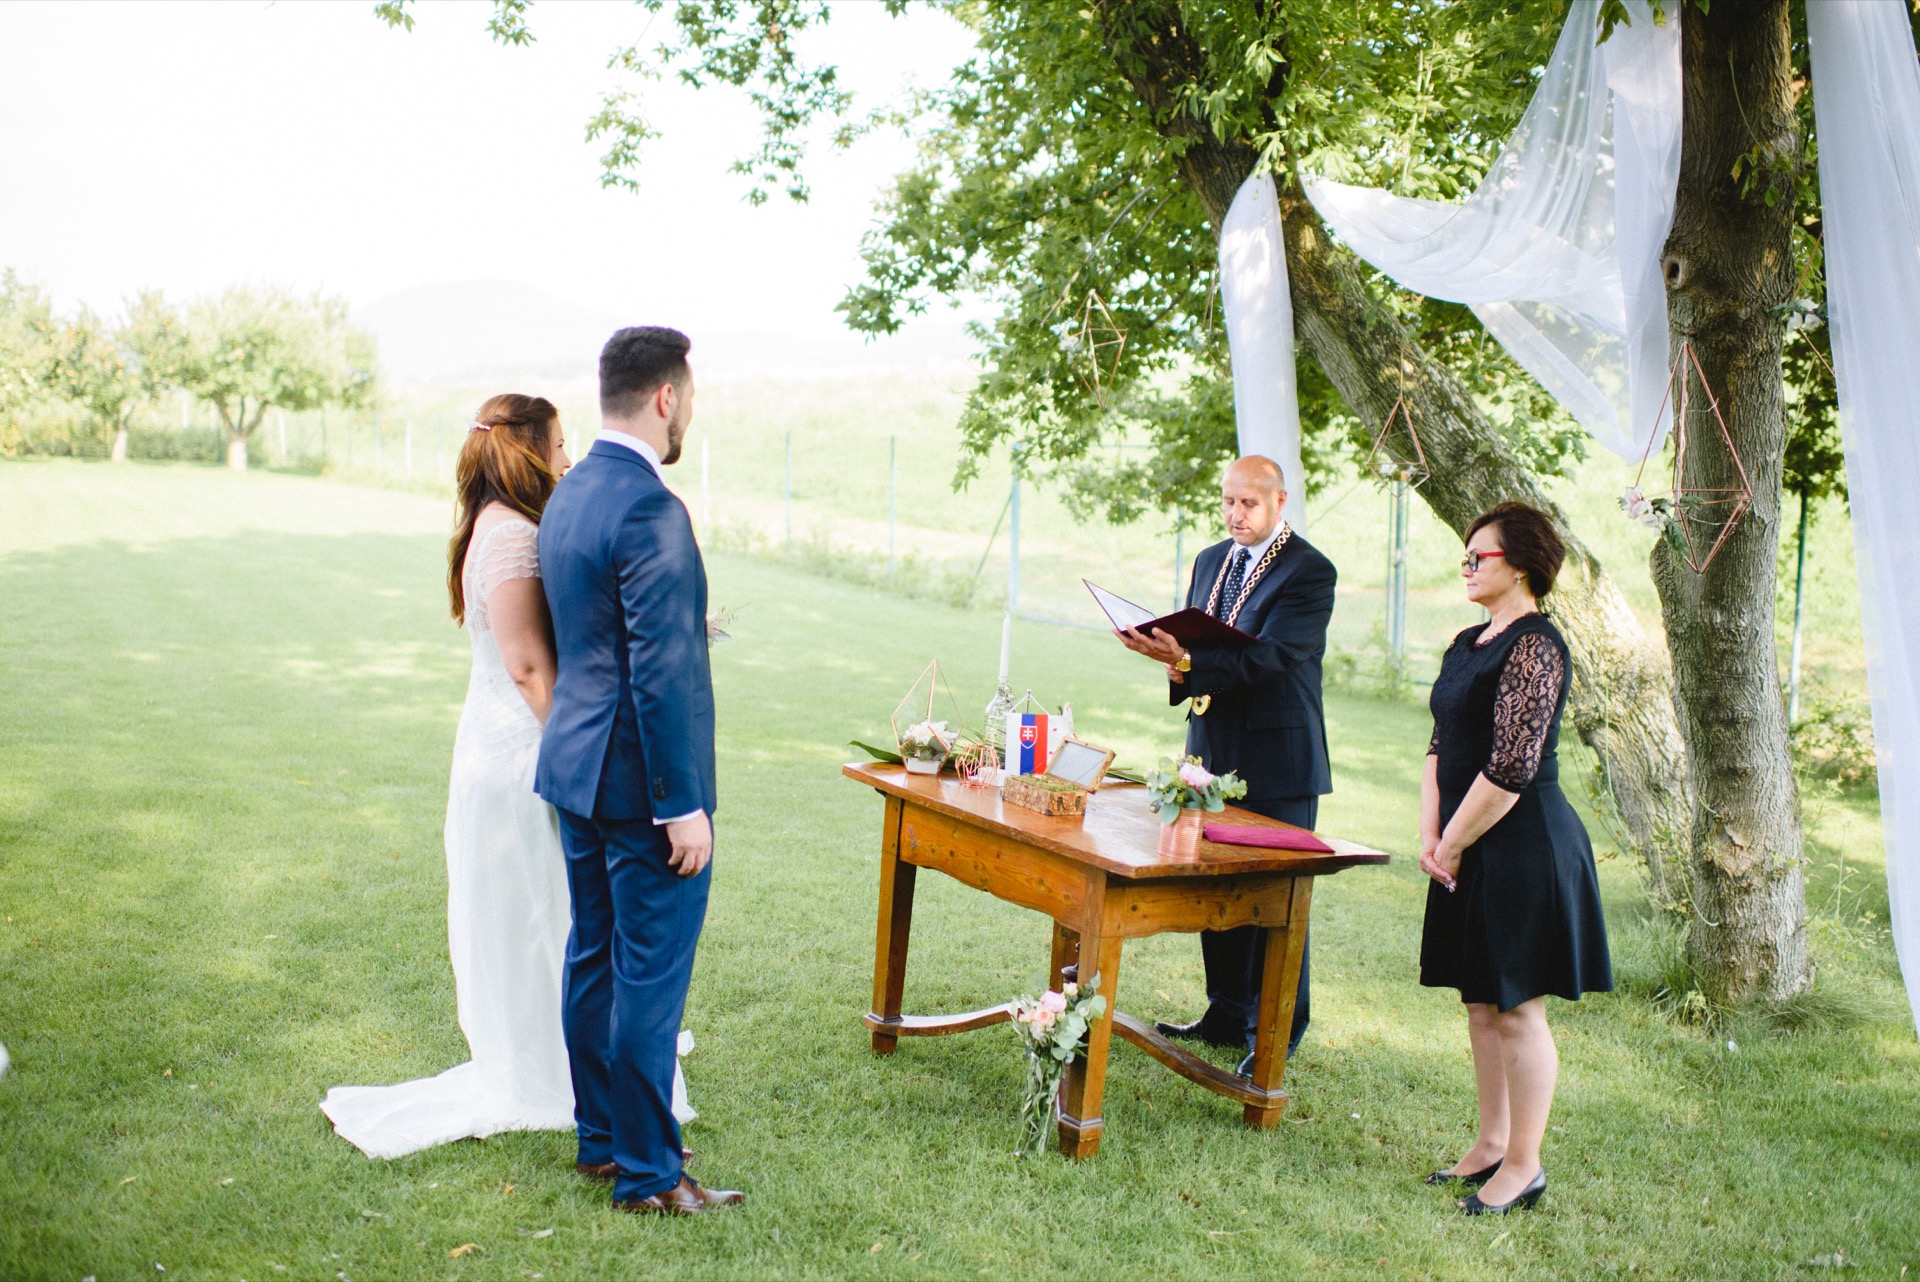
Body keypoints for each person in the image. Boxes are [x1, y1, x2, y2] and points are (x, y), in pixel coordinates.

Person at [322, 393, 661, 1158]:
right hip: (520, 754)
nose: (568, 459)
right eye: (560, 444)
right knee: (544, 913)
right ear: (529, 449)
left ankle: (573, 1061)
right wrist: (581, 754)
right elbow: (529, 666)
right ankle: (551, 1073)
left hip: (502, 744)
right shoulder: (509, 535)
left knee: (551, 911)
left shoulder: (494, 523)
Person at [535, 327, 740, 1217]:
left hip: (575, 768)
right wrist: (679, 804)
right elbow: (657, 671)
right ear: (666, 397)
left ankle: (601, 1141)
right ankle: (651, 1175)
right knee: (649, 977)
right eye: (687, 397)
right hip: (639, 786)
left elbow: (594, 638)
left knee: (593, 959)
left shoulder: (571, 493)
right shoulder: (653, 508)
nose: (687, 410)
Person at [1418, 501, 1612, 1216]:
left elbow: (1511, 768)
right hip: (1463, 838)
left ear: (1522, 565)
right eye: (1464, 556)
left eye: (1481, 556)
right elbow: (1440, 743)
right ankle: (1491, 1142)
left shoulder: (1537, 646)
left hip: (1522, 843)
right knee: (1479, 1000)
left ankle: (1524, 1165)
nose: (1467, 566)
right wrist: (1431, 831)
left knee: (1516, 1008)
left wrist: (1452, 843)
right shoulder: (1467, 641)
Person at [1116, 456, 1336, 1076]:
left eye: (1249, 504)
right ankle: (1225, 1011)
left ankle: (1275, 1032)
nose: (1236, 515)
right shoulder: (1211, 559)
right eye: (1229, 502)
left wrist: (1187, 662)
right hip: (1211, 749)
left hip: (1277, 757)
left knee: (1275, 899)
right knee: (1218, 889)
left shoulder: (1309, 571)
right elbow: (1200, 645)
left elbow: (1274, 657)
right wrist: (1172, 661)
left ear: (1279, 502)